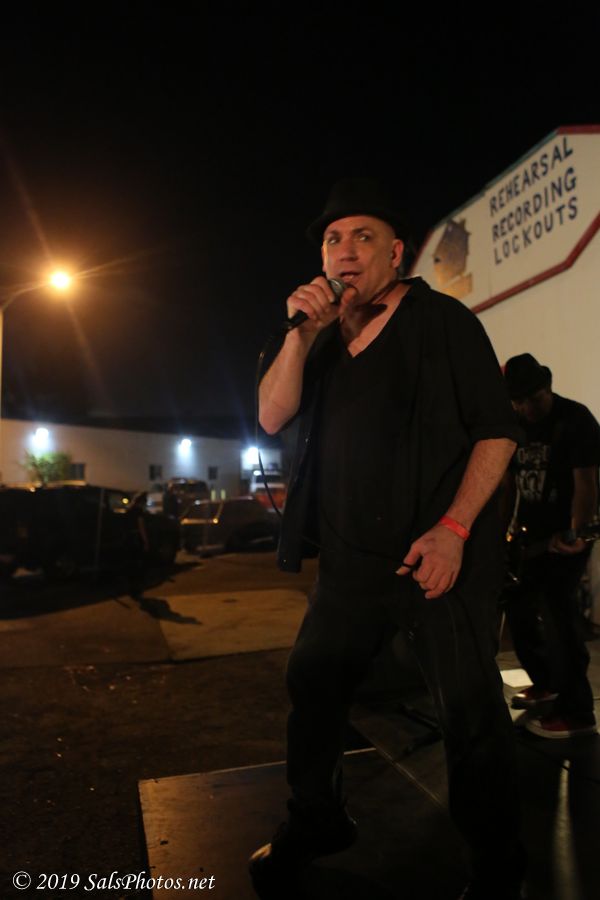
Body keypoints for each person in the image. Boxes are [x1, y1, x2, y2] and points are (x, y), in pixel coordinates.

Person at [249, 178, 526, 900]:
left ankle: (498, 863)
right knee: (313, 687)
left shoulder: (443, 322)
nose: (344, 250)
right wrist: (299, 334)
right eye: (332, 239)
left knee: (469, 711)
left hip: (437, 560)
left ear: (396, 253)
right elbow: (272, 416)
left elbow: (497, 432)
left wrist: (454, 530)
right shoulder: (315, 342)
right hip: (349, 566)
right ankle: (316, 820)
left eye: (362, 237)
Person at [502, 353, 600, 738]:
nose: (527, 408)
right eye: (519, 401)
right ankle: (546, 683)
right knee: (519, 608)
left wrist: (577, 533)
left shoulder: (575, 419)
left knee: (558, 613)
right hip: (530, 536)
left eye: (534, 398)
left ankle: (578, 713)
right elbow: (508, 485)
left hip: (566, 535)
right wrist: (502, 534)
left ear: (548, 387)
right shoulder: (513, 425)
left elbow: (585, 482)